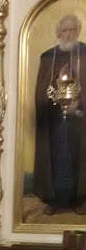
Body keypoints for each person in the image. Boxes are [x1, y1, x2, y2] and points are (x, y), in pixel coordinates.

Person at [33, 14, 86, 215]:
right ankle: (54, 200)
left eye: (72, 30)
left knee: (79, 157)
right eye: (65, 30)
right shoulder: (49, 57)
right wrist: (54, 100)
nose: (68, 34)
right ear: (58, 33)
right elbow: (41, 91)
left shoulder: (85, 53)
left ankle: (80, 199)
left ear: (78, 31)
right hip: (55, 119)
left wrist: (79, 105)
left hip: (80, 121)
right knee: (56, 157)